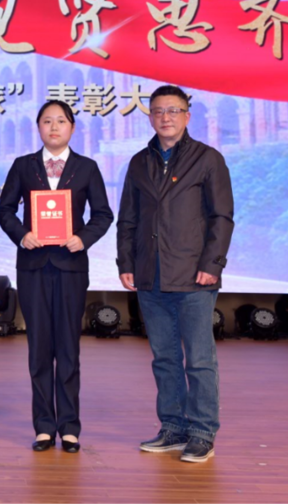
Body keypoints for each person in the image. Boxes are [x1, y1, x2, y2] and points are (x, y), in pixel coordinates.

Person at [116, 84, 234, 463]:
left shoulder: (208, 158)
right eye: (158, 111)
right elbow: (128, 219)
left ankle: (202, 432)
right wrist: (126, 263)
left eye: (173, 110)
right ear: (150, 117)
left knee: (199, 359)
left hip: (193, 276)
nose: (165, 117)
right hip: (150, 275)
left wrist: (211, 265)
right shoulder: (139, 162)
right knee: (164, 358)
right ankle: (173, 427)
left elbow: (221, 217)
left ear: (187, 115)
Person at [0, 100, 113, 453]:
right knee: (39, 348)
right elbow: (4, 209)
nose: (54, 127)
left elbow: (103, 214)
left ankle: (70, 427)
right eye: (47, 121)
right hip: (33, 265)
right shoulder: (23, 165)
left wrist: (83, 238)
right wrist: (22, 234)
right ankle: (45, 426)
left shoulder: (87, 167)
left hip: (71, 265)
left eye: (61, 121)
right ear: (38, 128)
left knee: (68, 348)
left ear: (72, 127)